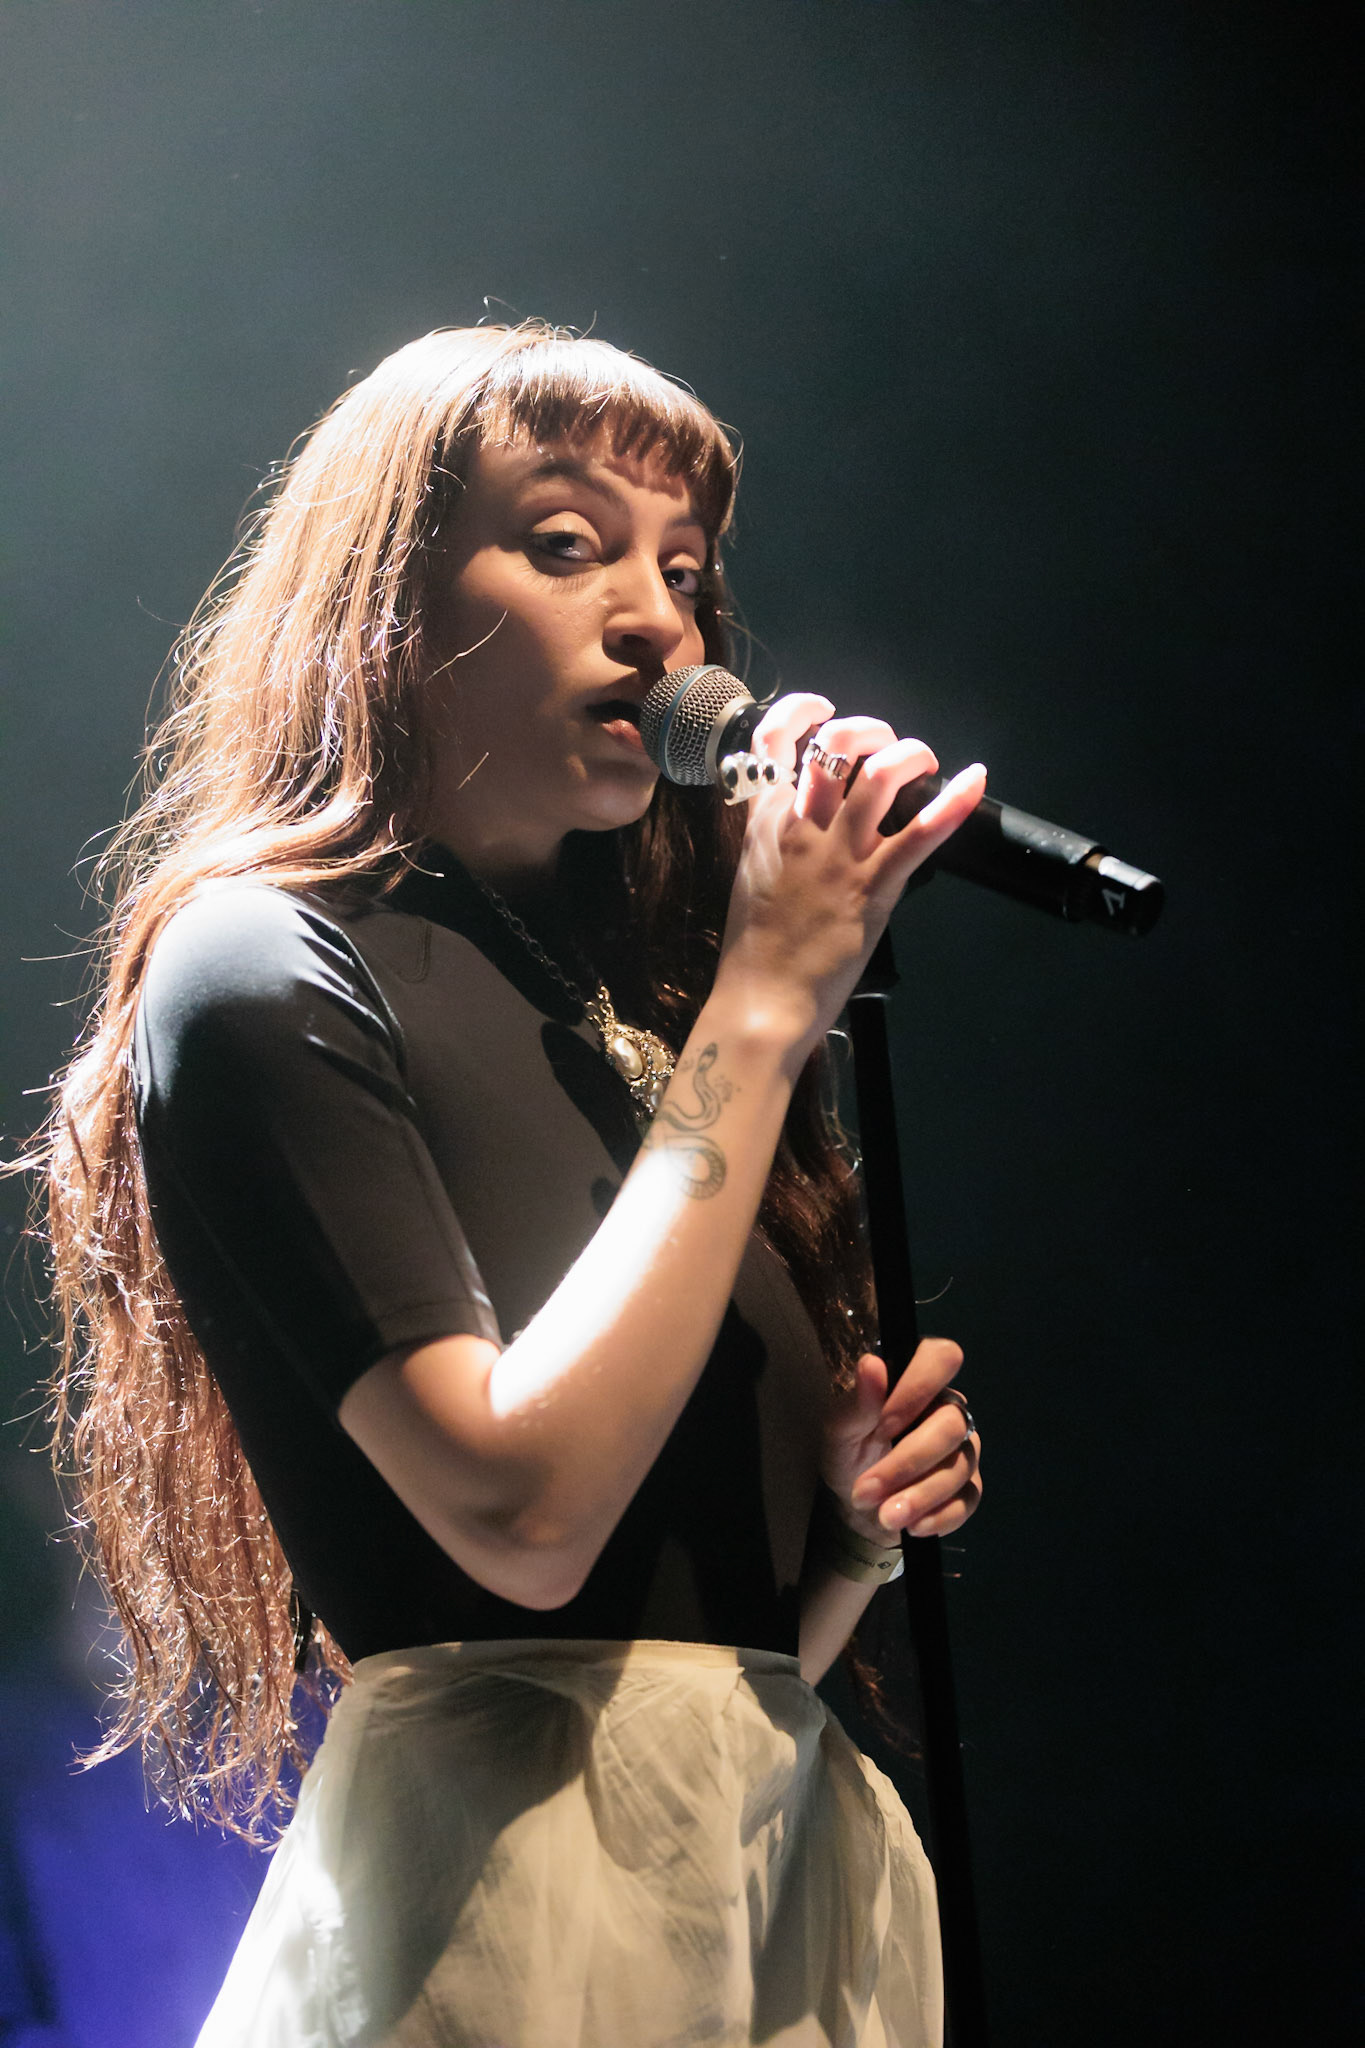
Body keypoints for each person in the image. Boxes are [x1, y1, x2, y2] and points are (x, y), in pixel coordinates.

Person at [42, 323, 987, 2047]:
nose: (657, 622)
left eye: (684, 571)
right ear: (389, 602)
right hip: (513, 1895)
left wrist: (846, 1525)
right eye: (566, 545)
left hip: (777, 1876)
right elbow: (523, 1524)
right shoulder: (262, 963)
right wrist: (769, 1014)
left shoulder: (637, 1018)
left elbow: (697, 1628)